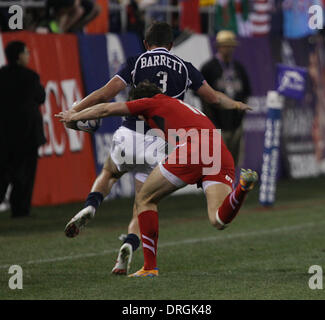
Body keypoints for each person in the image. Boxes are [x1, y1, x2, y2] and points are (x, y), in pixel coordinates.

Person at [62, 22, 252, 276]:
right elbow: (214, 97)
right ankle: (242, 188)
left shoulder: (143, 86)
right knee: (218, 220)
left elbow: (105, 105)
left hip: (188, 148)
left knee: (143, 198)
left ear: (145, 43)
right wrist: (237, 104)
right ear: (171, 45)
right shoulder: (184, 69)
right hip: (217, 149)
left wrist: (73, 115)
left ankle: (149, 267)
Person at [0, 41, 46, 218]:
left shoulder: (2, 75)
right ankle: (20, 208)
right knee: (25, 174)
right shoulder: (31, 77)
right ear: (19, 56)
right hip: (28, 133)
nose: (28, 55)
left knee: (4, 171)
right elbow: (41, 97)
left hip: (5, 133)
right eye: (26, 52)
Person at [201, 30, 251, 166]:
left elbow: (246, 93)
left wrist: (240, 117)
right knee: (214, 163)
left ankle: (232, 187)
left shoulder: (239, 68)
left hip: (236, 123)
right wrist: (211, 121)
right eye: (225, 45)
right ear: (218, 46)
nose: (228, 48)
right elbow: (202, 96)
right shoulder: (209, 68)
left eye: (230, 45)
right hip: (215, 123)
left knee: (233, 162)